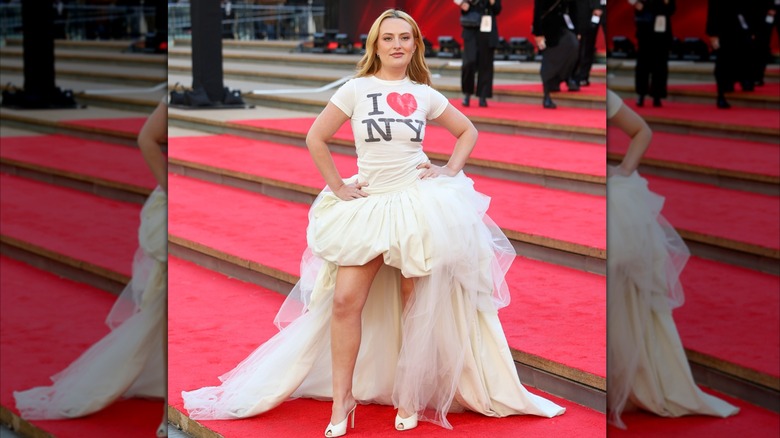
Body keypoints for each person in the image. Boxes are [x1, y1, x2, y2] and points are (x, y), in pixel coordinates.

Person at [181, 9, 565, 436]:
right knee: (346, 301)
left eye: (405, 37)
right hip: (368, 203)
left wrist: (449, 170)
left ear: (415, 44)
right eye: (388, 38)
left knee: (413, 303)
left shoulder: (422, 93)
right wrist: (337, 187)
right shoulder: (357, 89)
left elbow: (467, 131)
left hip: (416, 206)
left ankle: (408, 393)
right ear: (376, 46)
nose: (397, 44)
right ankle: (342, 400)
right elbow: (316, 137)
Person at [13, 101, 169, 437]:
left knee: (164, 312)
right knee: (163, 310)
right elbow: (147, 138)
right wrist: (169, 186)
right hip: (169, 208)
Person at [606, 89, 740, 428]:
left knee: (631, 299)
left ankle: (641, 378)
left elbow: (641, 131)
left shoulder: (604, 95)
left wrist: (623, 170)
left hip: (617, 208)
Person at [706, 1, 757, 108]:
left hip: (740, 30)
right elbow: (713, 11)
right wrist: (712, 34)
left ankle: (740, 81)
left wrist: (750, 30)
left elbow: (747, 9)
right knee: (722, 62)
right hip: (723, 31)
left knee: (740, 58)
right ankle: (721, 95)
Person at [533, 0, 582, 109]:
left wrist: (577, 31)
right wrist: (538, 33)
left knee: (573, 47)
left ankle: (564, 77)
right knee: (549, 61)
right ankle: (546, 96)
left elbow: (573, 10)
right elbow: (537, 10)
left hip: (563, 25)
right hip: (547, 28)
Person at [630, 0, 676, 108]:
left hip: (661, 31)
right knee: (643, 65)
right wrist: (637, 4)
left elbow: (672, 9)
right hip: (645, 30)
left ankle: (657, 95)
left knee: (660, 65)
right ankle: (641, 94)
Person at [456, 0, 502, 107]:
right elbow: (463, 7)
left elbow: (497, 9)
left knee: (485, 64)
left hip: (487, 29)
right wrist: (463, 5)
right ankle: (467, 93)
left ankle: (483, 96)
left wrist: (492, 2)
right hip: (471, 28)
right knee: (469, 62)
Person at [573, 0, 605, 87]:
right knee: (583, 43)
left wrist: (597, 6)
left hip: (598, 8)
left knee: (587, 44)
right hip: (583, 8)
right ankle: (578, 75)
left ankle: (582, 76)